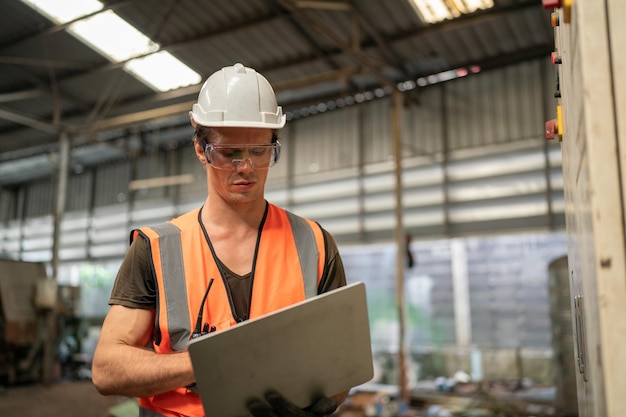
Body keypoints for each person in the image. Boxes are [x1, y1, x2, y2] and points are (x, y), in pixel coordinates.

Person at [92, 63, 349, 417]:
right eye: (229, 154)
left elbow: (341, 361)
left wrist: (320, 402)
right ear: (201, 149)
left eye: (259, 152)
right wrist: (210, 363)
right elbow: (107, 369)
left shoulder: (315, 244)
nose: (246, 167)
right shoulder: (156, 248)